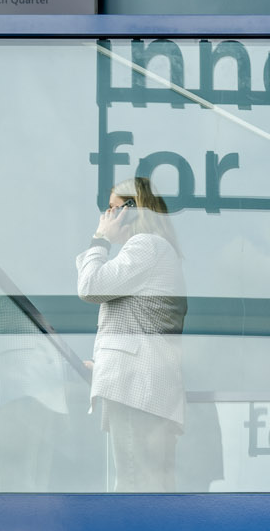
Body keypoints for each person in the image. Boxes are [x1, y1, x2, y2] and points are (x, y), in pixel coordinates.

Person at [75, 176, 188, 491]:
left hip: (137, 391)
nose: (107, 216)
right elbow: (140, 326)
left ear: (132, 210)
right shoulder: (155, 251)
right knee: (149, 488)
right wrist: (105, 367)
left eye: (113, 209)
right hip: (145, 390)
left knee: (134, 487)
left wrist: (100, 239)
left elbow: (90, 286)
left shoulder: (146, 245)